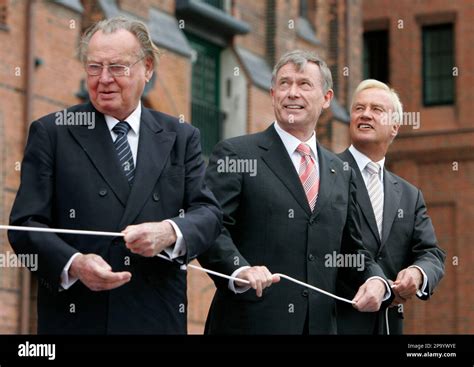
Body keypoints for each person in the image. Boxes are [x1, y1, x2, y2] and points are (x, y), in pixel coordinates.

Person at [8, 16, 222, 334]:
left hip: (156, 318)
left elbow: (209, 214)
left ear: (147, 68)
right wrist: (75, 264)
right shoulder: (52, 132)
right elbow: (24, 226)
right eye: (94, 67)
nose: (104, 79)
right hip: (78, 319)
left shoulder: (181, 136)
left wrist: (170, 231)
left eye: (117, 67)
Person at [198, 50, 391, 334]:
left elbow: (350, 249)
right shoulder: (236, 153)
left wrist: (376, 280)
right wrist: (239, 270)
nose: (292, 93)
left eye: (304, 84)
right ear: (273, 93)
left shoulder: (341, 171)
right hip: (249, 324)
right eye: (284, 84)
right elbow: (209, 226)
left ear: (326, 98)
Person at [336, 79, 446, 334]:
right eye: (358, 108)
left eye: (376, 109)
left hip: (389, 326)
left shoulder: (410, 195)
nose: (365, 114)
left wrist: (418, 274)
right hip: (337, 322)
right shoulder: (327, 173)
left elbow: (432, 253)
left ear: (395, 127)